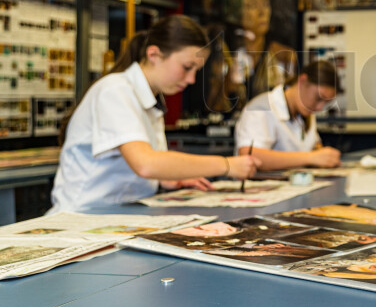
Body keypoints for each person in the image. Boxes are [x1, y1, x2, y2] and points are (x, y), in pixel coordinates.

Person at [49, 15, 261, 215]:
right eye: (187, 67)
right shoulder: (115, 90)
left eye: (196, 70)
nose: (191, 80)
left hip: (122, 215)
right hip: (80, 218)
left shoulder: (152, 99)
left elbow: (137, 166)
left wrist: (166, 180)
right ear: (154, 55)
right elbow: (146, 163)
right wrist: (227, 165)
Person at [234, 60, 341, 170]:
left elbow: (314, 145)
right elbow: (249, 156)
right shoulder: (261, 108)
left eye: (326, 103)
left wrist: (322, 155)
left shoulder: (306, 112)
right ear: (302, 81)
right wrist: (310, 157)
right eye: (318, 98)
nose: (319, 108)